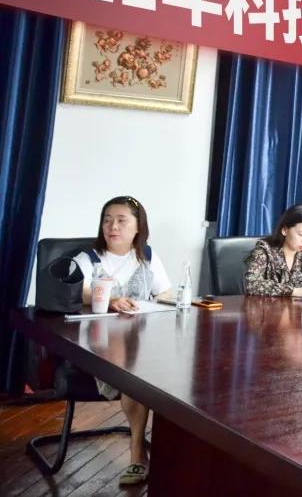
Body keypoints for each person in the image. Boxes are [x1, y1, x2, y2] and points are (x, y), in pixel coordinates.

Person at [71, 196, 172, 486]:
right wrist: (109, 299)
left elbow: (164, 294)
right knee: (135, 371)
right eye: (107, 220)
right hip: (98, 343)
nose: (112, 226)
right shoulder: (87, 258)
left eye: (121, 220)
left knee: (164, 369)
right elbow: (77, 291)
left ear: (138, 227)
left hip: (141, 341)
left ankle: (177, 455)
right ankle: (138, 452)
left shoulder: (147, 256)